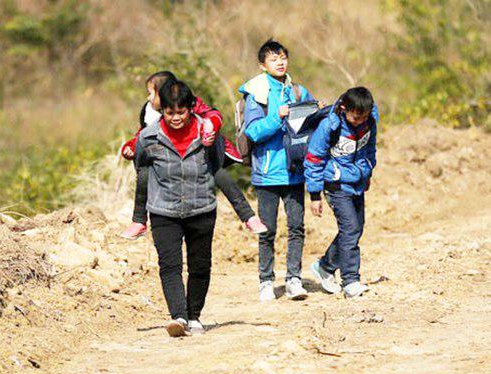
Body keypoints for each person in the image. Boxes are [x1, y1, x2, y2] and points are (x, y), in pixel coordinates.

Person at [119, 72, 266, 240]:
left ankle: (248, 216)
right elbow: (143, 134)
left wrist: (210, 127)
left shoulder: (189, 101)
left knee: (218, 173)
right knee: (144, 173)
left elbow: (213, 114)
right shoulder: (149, 111)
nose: (148, 97)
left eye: (151, 92)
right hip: (167, 162)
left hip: (200, 154)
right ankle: (139, 221)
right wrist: (130, 146)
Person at [134, 79, 223, 337]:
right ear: (162, 111)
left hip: (202, 208)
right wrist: (140, 215)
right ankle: (179, 317)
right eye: (169, 112)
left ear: (191, 108)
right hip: (163, 210)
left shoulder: (207, 135)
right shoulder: (148, 137)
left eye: (181, 112)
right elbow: (142, 168)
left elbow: (216, 165)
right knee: (170, 265)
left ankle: (195, 316)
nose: (175, 118)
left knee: (200, 265)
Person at [238, 39, 321, 301]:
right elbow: (252, 131)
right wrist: (278, 116)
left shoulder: (298, 91)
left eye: (283, 57)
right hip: (267, 173)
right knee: (267, 230)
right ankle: (266, 281)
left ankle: (294, 280)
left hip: (295, 170)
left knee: (297, 227)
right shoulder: (257, 94)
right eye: (274, 59)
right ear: (263, 65)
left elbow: (312, 126)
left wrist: (316, 111)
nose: (280, 62)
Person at [304, 86, 378, 298]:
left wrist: (368, 173)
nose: (360, 121)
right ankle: (350, 281)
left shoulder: (370, 120)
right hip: (335, 184)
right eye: (356, 117)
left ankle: (325, 266)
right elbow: (314, 160)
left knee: (356, 228)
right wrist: (315, 195)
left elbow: (369, 149)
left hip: (357, 181)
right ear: (344, 108)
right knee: (350, 229)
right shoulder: (329, 126)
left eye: (364, 117)